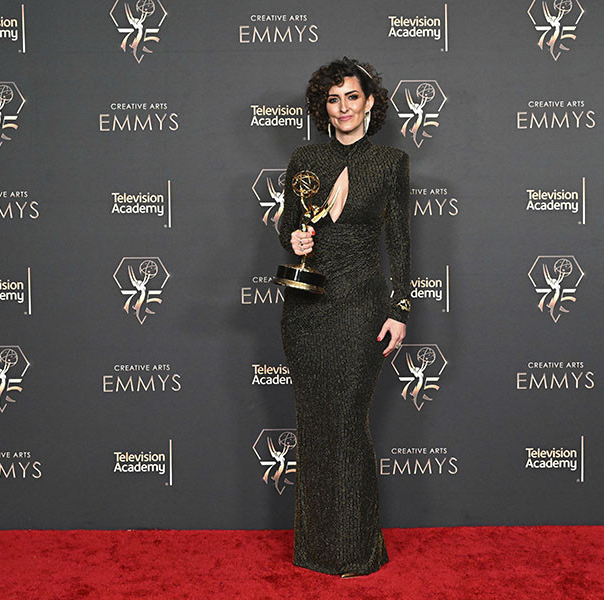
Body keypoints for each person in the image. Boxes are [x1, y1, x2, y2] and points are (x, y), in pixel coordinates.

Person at [277, 57, 411, 577]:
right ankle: (315, 551)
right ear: (323, 107)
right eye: (333, 100)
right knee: (315, 426)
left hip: (360, 306)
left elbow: (398, 242)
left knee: (347, 423)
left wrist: (399, 310)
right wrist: (295, 237)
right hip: (306, 309)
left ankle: (356, 552)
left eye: (352, 97)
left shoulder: (391, 163)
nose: (343, 108)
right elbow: (289, 222)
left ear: (370, 102)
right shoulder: (305, 157)